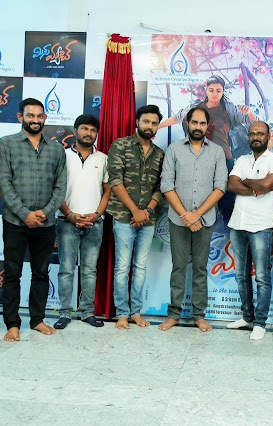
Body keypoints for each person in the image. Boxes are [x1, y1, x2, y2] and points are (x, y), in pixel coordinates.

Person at [0, 98, 67, 342]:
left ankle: (37, 319)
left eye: (39, 116)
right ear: (20, 117)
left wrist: (45, 212)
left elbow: (61, 185)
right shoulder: (6, 144)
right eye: (30, 115)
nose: (35, 120)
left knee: (41, 273)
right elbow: (4, 183)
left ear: (45, 118)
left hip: (46, 223)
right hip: (15, 222)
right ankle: (12, 324)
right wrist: (25, 213)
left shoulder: (56, 149)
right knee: (12, 273)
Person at [158, 107, 227, 332]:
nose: (198, 127)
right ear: (187, 124)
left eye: (202, 123)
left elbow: (220, 187)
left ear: (208, 126)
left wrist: (196, 215)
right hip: (178, 219)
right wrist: (185, 216)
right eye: (194, 122)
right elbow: (166, 185)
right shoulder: (174, 150)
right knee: (178, 267)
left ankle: (199, 315)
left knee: (200, 268)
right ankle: (174, 315)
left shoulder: (217, 152)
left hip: (204, 220)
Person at [226, 121, 273, 340]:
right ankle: (247, 317)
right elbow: (231, 185)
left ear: (268, 136)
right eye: (252, 134)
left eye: (260, 133)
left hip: (261, 226)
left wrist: (246, 181)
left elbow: (267, 185)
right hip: (238, 224)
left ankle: (260, 323)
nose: (255, 137)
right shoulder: (242, 160)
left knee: (261, 277)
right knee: (241, 276)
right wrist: (255, 187)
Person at [107, 105, 165, 331]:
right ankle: (122, 313)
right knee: (122, 267)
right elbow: (115, 181)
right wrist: (135, 211)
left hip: (148, 220)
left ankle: (135, 312)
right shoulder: (120, 145)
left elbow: (161, 188)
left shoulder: (159, 154)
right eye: (146, 121)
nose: (150, 126)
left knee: (140, 267)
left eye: (154, 123)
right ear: (137, 122)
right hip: (124, 217)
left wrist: (147, 211)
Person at [53, 114, 110, 330]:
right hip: (67, 221)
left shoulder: (103, 158)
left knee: (89, 270)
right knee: (66, 269)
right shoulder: (63, 156)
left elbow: (108, 190)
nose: (89, 133)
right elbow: (56, 189)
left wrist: (97, 215)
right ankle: (64, 312)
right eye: (84, 129)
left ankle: (87, 312)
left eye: (93, 130)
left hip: (95, 223)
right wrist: (69, 214)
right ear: (75, 131)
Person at [159, 75, 257, 159]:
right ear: (206, 90)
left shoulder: (229, 108)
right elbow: (177, 118)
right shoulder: (196, 107)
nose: (215, 94)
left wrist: (249, 112)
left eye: (218, 90)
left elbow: (252, 122)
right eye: (211, 90)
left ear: (223, 91)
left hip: (224, 157)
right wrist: (157, 127)